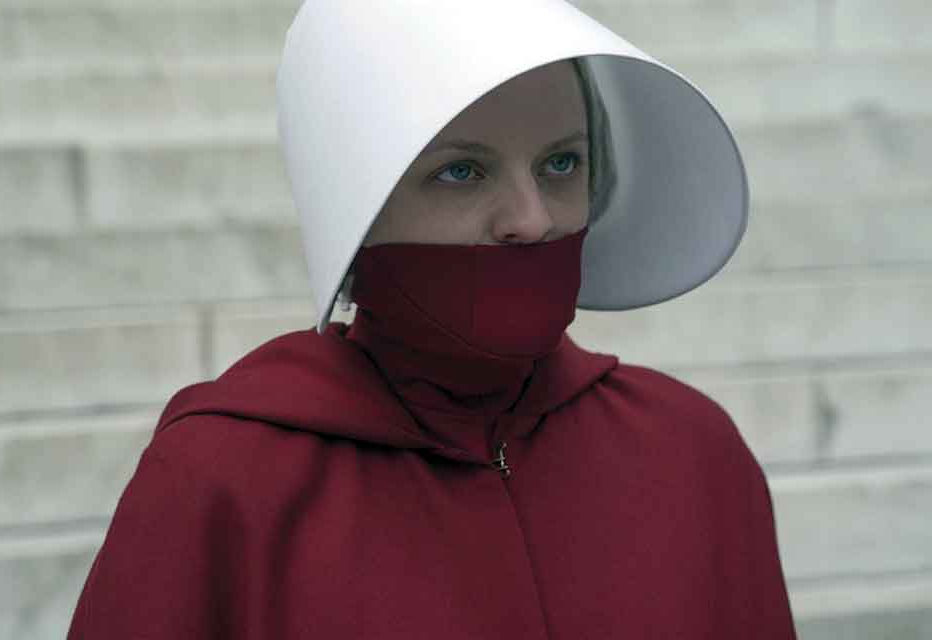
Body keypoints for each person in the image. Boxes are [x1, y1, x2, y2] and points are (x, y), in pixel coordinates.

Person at [67, 1, 797, 638]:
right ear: (358, 206)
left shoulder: (692, 452)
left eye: (562, 164)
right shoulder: (222, 486)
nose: (531, 220)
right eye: (462, 171)